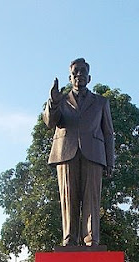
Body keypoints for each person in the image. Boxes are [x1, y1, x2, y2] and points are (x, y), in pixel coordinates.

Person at [43, 58, 115, 247]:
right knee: (68, 196)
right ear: (70, 77)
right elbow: (50, 123)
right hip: (66, 153)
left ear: (89, 77)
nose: (79, 75)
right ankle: (69, 238)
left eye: (83, 72)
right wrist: (53, 101)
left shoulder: (101, 102)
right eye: (76, 72)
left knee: (92, 197)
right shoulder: (60, 100)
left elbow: (108, 132)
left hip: (94, 153)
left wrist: (110, 161)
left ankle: (92, 238)